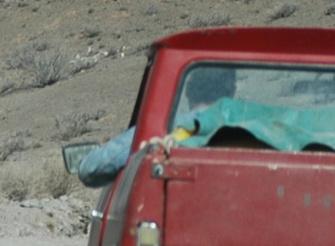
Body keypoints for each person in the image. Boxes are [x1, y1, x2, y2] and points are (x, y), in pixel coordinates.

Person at [77, 64, 237, 187]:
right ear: (232, 92)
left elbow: (91, 169)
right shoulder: (253, 130)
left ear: (189, 92)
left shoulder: (168, 129)